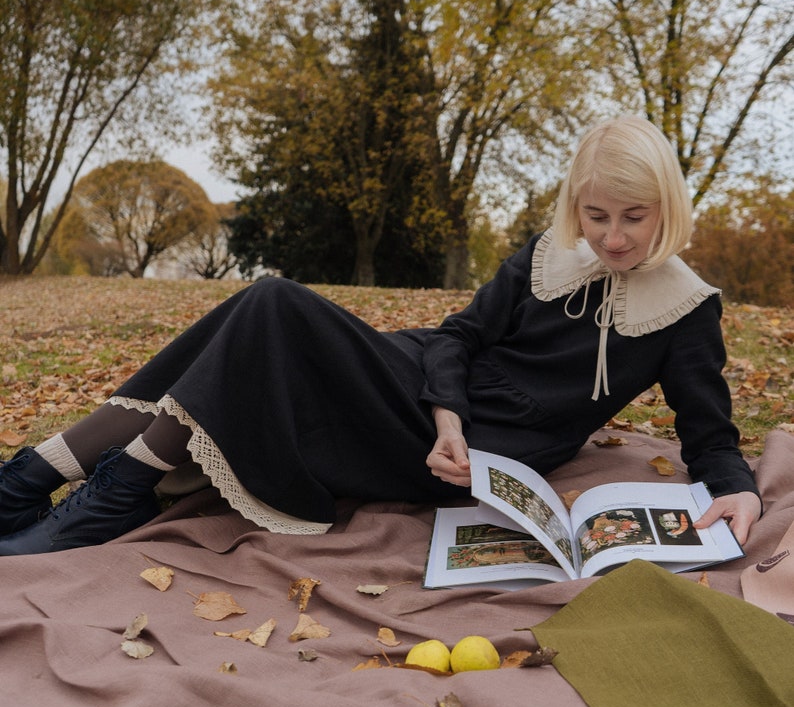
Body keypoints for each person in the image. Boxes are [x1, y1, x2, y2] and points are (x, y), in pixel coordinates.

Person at [0, 116, 761, 556]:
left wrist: (734, 490)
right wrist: (448, 413)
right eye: (597, 217)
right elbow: (459, 335)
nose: (614, 237)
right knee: (260, 312)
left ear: (668, 207)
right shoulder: (544, 255)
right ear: (576, 207)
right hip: (432, 399)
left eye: (634, 218)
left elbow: (709, 429)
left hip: (478, 454)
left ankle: (72, 488)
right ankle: (48, 481)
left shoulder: (686, 309)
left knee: (270, 306)